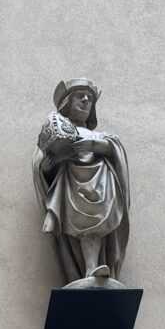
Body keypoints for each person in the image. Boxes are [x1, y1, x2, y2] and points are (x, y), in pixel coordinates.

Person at [33, 78, 130, 286]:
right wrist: (47, 165)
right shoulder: (59, 131)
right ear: (67, 102)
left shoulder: (99, 135)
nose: (86, 100)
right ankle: (88, 268)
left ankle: (92, 267)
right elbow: (43, 168)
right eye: (80, 95)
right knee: (84, 226)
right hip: (71, 188)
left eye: (90, 98)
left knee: (94, 226)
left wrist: (93, 145)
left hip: (99, 188)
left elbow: (114, 147)